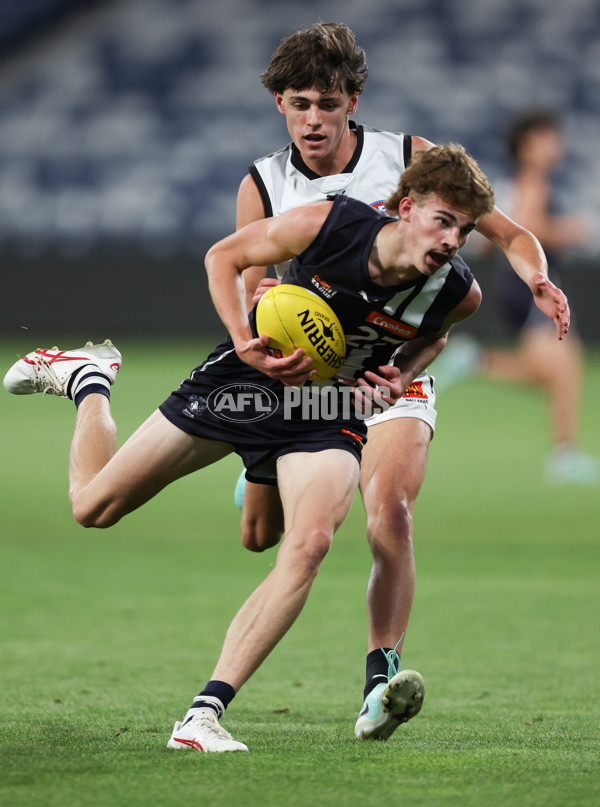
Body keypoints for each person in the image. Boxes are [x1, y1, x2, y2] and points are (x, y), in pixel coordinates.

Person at [6, 144, 503, 752]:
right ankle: (88, 381)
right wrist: (244, 338)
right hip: (246, 381)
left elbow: (435, 334)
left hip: (327, 413)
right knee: (94, 507)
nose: (453, 240)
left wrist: (401, 374)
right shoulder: (332, 225)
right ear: (406, 209)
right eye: (443, 221)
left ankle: (202, 715)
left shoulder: (458, 291)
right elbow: (223, 256)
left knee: (307, 544)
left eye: (464, 230)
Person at [230, 23, 571, 741]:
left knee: (391, 510)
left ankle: (379, 685)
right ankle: (261, 473)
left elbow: (509, 234)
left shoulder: (410, 157)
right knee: (260, 536)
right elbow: (248, 281)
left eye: (328, 103)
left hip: (394, 367)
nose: (314, 119)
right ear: (279, 104)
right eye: (300, 104)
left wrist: (536, 276)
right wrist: (263, 317)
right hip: (315, 378)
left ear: (352, 102)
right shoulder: (263, 184)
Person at [435, 109, 598, 485]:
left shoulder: (518, 182)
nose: (555, 146)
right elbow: (529, 226)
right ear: (526, 145)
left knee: (555, 369)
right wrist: (568, 231)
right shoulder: (531, 181)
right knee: (563, 365)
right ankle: (565, 456)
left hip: (522, 283)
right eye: (546, 138)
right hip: (532, 284)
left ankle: (477, 361)